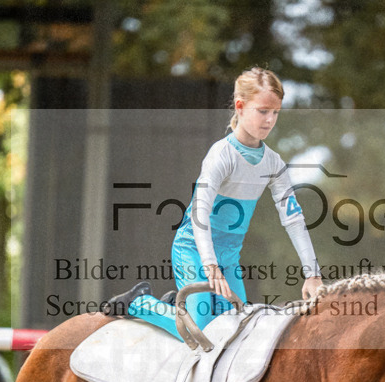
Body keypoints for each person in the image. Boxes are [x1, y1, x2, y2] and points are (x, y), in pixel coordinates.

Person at [103, 67, 323, 339]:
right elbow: (200, 212)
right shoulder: (222, 154)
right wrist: (210, 266)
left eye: (275, 112)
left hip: (229, 257)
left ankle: (176, 307)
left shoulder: (273, 163)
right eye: (262, 111)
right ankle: (138, 302)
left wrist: (312, 273)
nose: (270, 120)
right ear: (240, 107)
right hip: (194, 249)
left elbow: (294, 219)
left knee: (240, 331)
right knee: (202, 331)